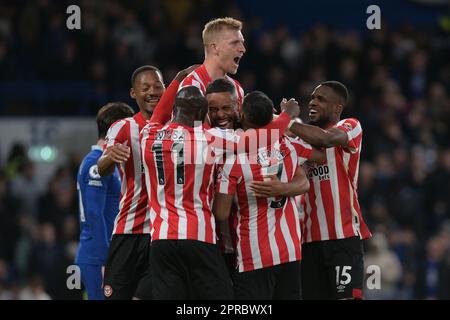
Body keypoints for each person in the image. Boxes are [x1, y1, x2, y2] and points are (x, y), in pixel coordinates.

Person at [251, 81, 372, 299]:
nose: (313, 103)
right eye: (312, 98)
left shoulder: (351, 126)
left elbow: (325, 139)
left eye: (321, 99)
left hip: (342, 240)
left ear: (337, 107)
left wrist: (286, 120)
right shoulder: (300, 140)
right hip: (307, 244)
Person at [97, 65, 197, 300]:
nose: (152, 92)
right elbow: (102, 168)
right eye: (145, 88)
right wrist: (111, 155)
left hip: (161, 235)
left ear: (166, 88)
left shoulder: (177, 128)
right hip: (128, 231)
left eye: (157, 86)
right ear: (133, 93)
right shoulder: (123, 127)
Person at [213, 91, 325, 299]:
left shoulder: (234, 159)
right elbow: (319, 156)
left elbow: (221, 213)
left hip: (254, 254)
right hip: (290, 249)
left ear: (243, 116)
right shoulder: (289, 146)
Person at [75, 102, 135, 300]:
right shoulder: (95, 164)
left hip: (102, 254)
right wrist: (105, 261)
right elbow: (93, 213)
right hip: (97, 257)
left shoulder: (106, 163)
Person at [180, 17, 246, 112]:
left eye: (242, 43)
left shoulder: (237, 88)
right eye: (234, 43)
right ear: (214, 48)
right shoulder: (191, 87)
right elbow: (195, 126)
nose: (243, 49)